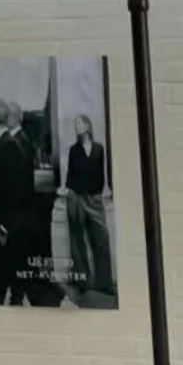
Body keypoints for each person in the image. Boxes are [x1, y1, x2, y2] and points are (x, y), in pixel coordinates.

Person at [0, 97, 38, 306]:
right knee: (4, 286)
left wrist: (3, 227)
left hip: (7, 232)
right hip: (6, 232)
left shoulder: (8, 147)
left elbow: (16, 193)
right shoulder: (4, 145)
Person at [63, 114, 115, 298]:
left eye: (80, 123)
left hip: (94, 198)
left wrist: (101, 193)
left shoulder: (99, 149)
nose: (77, 126)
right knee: (77, 241)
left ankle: (104, 283)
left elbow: (102, 174)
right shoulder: (73, 150)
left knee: (101, 239)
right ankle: (82, 282)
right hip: (76, 197)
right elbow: (70, 176)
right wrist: (69, 194)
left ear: (87, 125)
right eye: (75, 123)